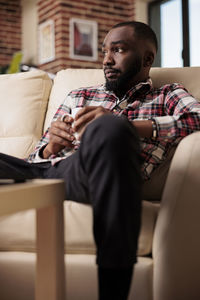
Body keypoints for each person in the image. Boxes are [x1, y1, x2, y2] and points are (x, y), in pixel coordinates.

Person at [1, 21, 200, 299]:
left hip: (92, 175)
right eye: (105, 51)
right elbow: (36, 158)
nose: (107, 59)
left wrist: (126, 124)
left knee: (110, 129)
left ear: (147, 58)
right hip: (47, 171)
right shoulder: (79, 95)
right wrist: (49, 148)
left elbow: (196, 119)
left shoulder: (167, 94)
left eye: (118, 50)